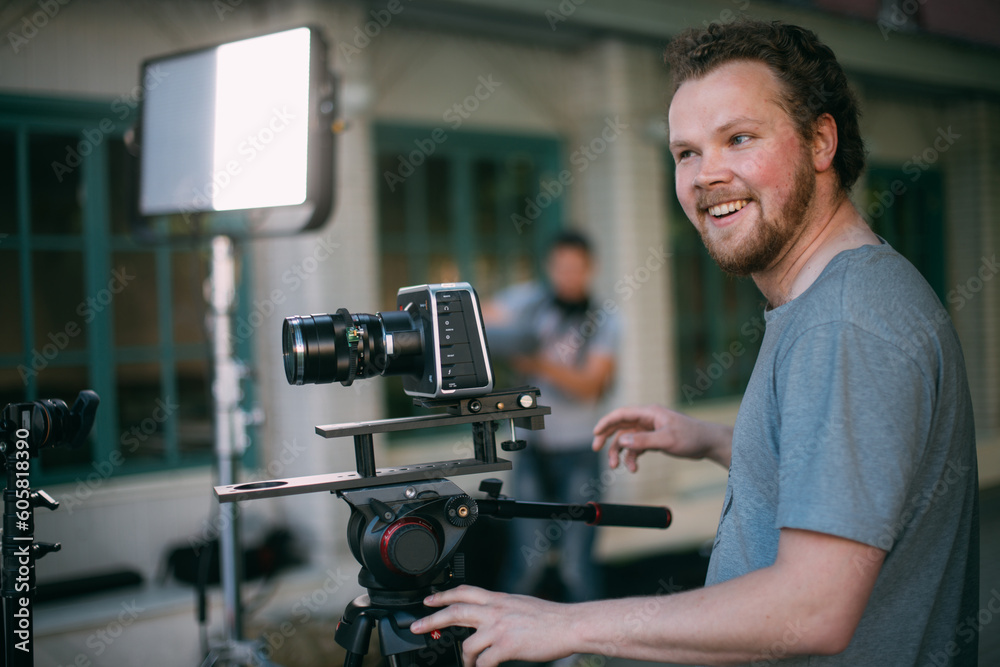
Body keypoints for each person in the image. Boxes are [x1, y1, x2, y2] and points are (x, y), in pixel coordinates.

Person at [412, 18, 980, 667]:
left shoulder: (842, 323)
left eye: (738, 138)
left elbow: (814, 607)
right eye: (686, 152)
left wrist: (568, 624)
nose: (706, 175)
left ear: (821, 140)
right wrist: (709, 439)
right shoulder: (835, 297)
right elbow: (854, 475)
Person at [483, 230, 619, 604]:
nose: (567, 276)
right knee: (526, 561)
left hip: (579, 452)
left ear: (589, 269)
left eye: (575, 268)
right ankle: (510, 652)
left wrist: (537, 361)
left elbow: (590, 384)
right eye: (560, 268)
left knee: (577, 562)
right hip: (531, 451)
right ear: (550, 267)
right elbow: (480, 317)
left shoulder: (604, 320)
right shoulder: (531, 303)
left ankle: (583, 659)